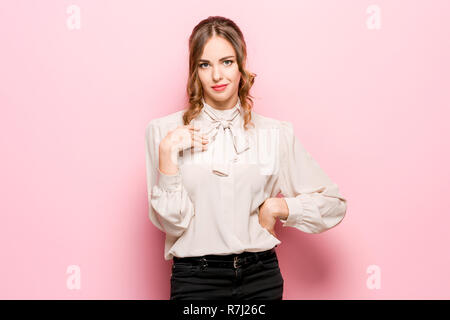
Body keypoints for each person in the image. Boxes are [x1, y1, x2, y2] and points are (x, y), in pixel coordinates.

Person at [145, 16, 347, 300]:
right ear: (194, 71)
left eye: (227, 62)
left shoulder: (274, 133)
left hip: (260, 277)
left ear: (241, 65)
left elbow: (333, 205)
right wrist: (167, 155)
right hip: (196, 281)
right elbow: (173, 223)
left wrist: (278, 207)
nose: (217, 76)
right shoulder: (164, 132)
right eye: (205, 64)